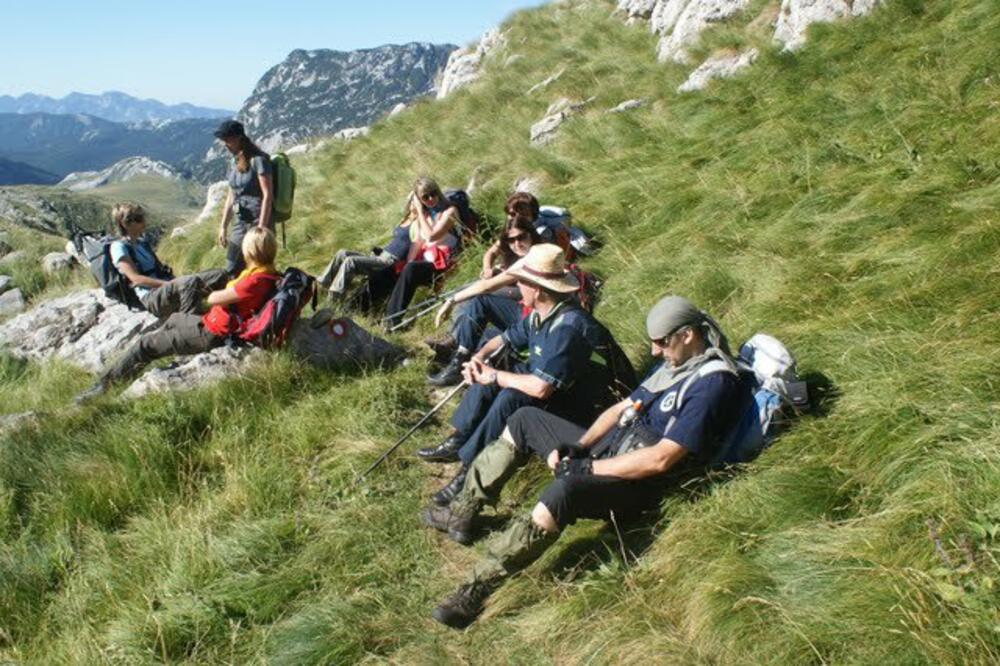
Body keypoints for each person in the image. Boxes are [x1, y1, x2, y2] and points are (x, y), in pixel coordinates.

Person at [423, 295, 755, 628]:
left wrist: (586, 469)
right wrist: (580, 447)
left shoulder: (712, 384)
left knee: (563, 491)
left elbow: (661, 459)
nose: (655, 351)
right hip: (611, 452)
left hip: (637, 485)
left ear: (687, 335)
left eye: (661, 342)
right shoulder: (674, 366)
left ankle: (477, 586)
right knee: (524, 419)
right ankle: (463, 511)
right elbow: (622, 408)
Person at [415, 244, 632, 507]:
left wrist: (494, 375)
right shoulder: (543, 314)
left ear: (537, 289)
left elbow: (541, 388)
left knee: (511, 396)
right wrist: (479, 358)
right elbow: (504, 339)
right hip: (565, 388)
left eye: (522, 281)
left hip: (594, 411)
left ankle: (468, 471)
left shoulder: (569, 328)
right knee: (495, 378)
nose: (517, 285)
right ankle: (460, 439)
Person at [75, 228, 280, 402]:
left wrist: (212, 291)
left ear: (249, 252)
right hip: (212, 324)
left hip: (211, 333)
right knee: (171, 320)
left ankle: (102, 388)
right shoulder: (269, 274)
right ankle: (141, 358)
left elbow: (213, 299)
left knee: (144, 345)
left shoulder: (253, 281)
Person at [426, 212, 542, 386]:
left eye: (521, 237)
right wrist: (491, 268)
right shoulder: (530, 254)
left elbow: (487, 286)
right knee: (481, 332)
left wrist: (451, 300)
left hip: (535, 320)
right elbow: (491, 255)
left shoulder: (534, 256)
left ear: (531, 234)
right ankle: (458, 355)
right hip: (529, 312)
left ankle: (457, 364)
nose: (517, 244)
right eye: (511, 240)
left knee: (480, 301)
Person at [368, 177, 460, 328]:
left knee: (411, 269)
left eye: (433, 193)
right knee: (389, 271)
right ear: (419, 199)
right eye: (425, 197)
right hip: (425, 263)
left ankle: (391, 321)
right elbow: (417, 243)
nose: (431, 199)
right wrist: (406, 265)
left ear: (438, 192)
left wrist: (420, 212)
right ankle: (365, 311)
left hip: (443, 265)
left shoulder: (450, 211)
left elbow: (431, 236)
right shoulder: (425, 216)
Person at [108, 202, 227, 317]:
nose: (144, 221)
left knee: (219, 275)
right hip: (151, 296)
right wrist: (172, 284)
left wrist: (174, 282)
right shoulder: (118, 247)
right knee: (188, 283)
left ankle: (224, 314)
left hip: (166, 288)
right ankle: (187, 324)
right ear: (125, 224)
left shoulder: (142, 243)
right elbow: (136, 279)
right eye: (138, 219)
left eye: (142, 217)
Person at [316, 195, 418, 301]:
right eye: (412, 201)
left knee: (351, 261)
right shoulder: (405, 219)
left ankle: (335, 296)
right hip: (381, 255)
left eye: (415, 202)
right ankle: (322, 284)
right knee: (342, 253)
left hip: (389, 262)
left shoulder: (418, 223)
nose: (412, 203)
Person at [215, 120, 273, 276]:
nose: (225, 144)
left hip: (258, 222)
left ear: (239, 138)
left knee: (259, 268)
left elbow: (267, 195)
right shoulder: (234, 161)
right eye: (223, 140)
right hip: (240, 222)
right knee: (232, 268)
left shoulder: (259, 160)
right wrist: (223, 226)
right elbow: (231, 195)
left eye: (227, 139)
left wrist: (261, 229)